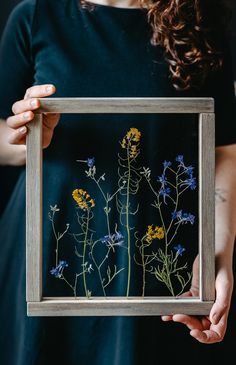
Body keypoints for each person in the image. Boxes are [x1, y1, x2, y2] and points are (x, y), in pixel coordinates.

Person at [0, 0, 236, 364]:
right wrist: (26, 138)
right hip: (49, 253)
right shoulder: (36, 15)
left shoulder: (204, 18)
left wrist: (217, 254)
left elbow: (223, 150)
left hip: (154, 263)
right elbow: (3, 137)